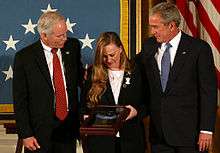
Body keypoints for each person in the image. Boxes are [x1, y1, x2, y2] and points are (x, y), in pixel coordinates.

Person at [138, 2, 217, 153]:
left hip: (190, 136)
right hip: (159, 136)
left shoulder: (198, 49)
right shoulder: (149, 45)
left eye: (156, 26)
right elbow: (133, 69)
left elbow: (208, 92)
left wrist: (206, 130)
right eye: (151, 26)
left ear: (172, 26)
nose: (152, 31)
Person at [13, 11, 83, 153]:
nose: (65, 38)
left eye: (65, 33)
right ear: (44, 35)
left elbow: (80, 78)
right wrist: (26, 134)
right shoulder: (24, 58)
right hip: (39, 133)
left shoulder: (72, 47)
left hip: (67, 129)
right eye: (60, 35)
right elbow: (20, 100)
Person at [80, 31, 147, 153]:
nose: (108, 60)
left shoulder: (136, 71)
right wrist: (86, 118)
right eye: (104, 56)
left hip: (131, 140)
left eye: (112, 55)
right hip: (100, 143)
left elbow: (147, 102)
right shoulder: (92, 73)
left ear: (120, 49)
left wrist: (136, 112)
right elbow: (83, 106)